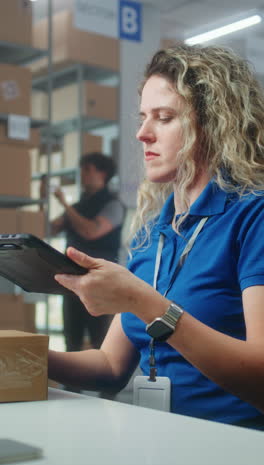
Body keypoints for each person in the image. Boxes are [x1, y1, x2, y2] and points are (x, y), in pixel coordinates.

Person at [48, 44, 264, 429]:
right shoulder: (153, 232)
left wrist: (144, 302)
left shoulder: (253, 217)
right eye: (144, 117)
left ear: (213, 124)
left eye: (163, 118)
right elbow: (111, 365)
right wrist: (22, 355)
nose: (142, 133)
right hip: (158, 441)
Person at [41, 152, 124, 352]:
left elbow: (91, 231)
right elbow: (49, 229)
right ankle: (72, 384)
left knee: (101, 341)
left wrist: (64, 204)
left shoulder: (113, 205)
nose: (82, 175)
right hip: (71, 280)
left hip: (100, 281)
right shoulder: (78, 206)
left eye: (87, 170)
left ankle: (101, 383)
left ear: (103, 173)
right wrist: (43, 201)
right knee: (72, 339)